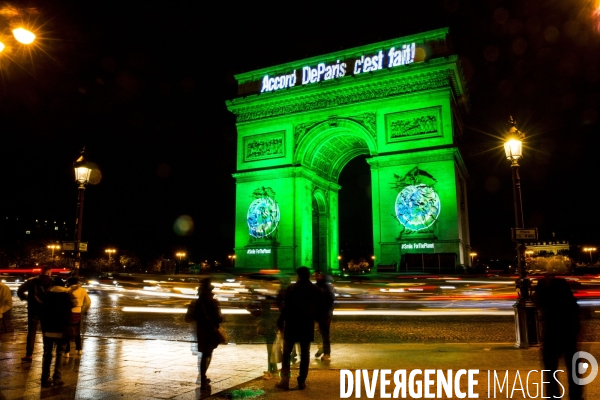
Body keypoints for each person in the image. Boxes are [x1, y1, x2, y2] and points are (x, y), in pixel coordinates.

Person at [276, 266, 323, 390]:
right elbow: (321, 307)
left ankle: (285, 381)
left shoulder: (291, 288)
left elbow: (285, 307)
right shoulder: (315, 289)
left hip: (292, 324)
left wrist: (280, 321)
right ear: (309, 276)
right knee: (305, 354)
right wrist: (315, 318)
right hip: (307, 325)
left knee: (286, 353)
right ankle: (301, 381)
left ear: (298, 275)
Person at [535, 275, 582, 400]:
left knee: (550, 369)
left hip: (551, 331)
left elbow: (538, 303)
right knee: (572, 367)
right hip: (568, 330)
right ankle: (575, 395)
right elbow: (574, 308)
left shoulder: (542, 287)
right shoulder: (562, 288)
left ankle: (553, 395)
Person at [187, 278, 223, 391]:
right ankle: (203, 379)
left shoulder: (197, 302)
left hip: (201, 330)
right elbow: (218, 318)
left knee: (203, 354)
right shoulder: (213, 302)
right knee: (207, 354)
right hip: (210, 331)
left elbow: (189, 317)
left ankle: (203, 377)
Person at [39, 280, 73, 387]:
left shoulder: (46, 295)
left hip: (48, 329)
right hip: (61, 329)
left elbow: (42, 313)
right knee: (60, 353)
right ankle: (57, 378)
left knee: (47, 353)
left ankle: (44, 379)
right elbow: (70, 312)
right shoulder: (66, 297)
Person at [17, 266, 54, 362]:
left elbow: (20, 291)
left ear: (40, 272)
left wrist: (27, 299)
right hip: (47, 310)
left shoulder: (31, 281)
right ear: (49, 273)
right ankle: (47, 352)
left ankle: (29, 354)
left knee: (31, 332)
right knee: (46, 332)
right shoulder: (51, 282)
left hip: (33, 309)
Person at [64, 277, 91, 357]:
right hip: (78, 312)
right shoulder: (83, 290)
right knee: (77, 330)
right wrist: (85, 310)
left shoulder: (67, 290)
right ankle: (79, 349)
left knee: (67, 331)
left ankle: (67, 351)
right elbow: (88, 302)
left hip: (68, 312)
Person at [255, 296, 280, 379]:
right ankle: (273, 368)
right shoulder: (270, 313)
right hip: (272, 332)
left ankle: (271, 369)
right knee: (272, 351)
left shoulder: (265, 314)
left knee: (270, 352)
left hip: (269, 333)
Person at [315, 272, 335, 361]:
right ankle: (324, 349)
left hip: (324, 314)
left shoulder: (325, 286)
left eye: (317, 275)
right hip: (320, 313)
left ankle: (327, 352)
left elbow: (330, 300)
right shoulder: (321, 286)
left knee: (325, 333)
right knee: (322, 333)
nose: (315, 277)